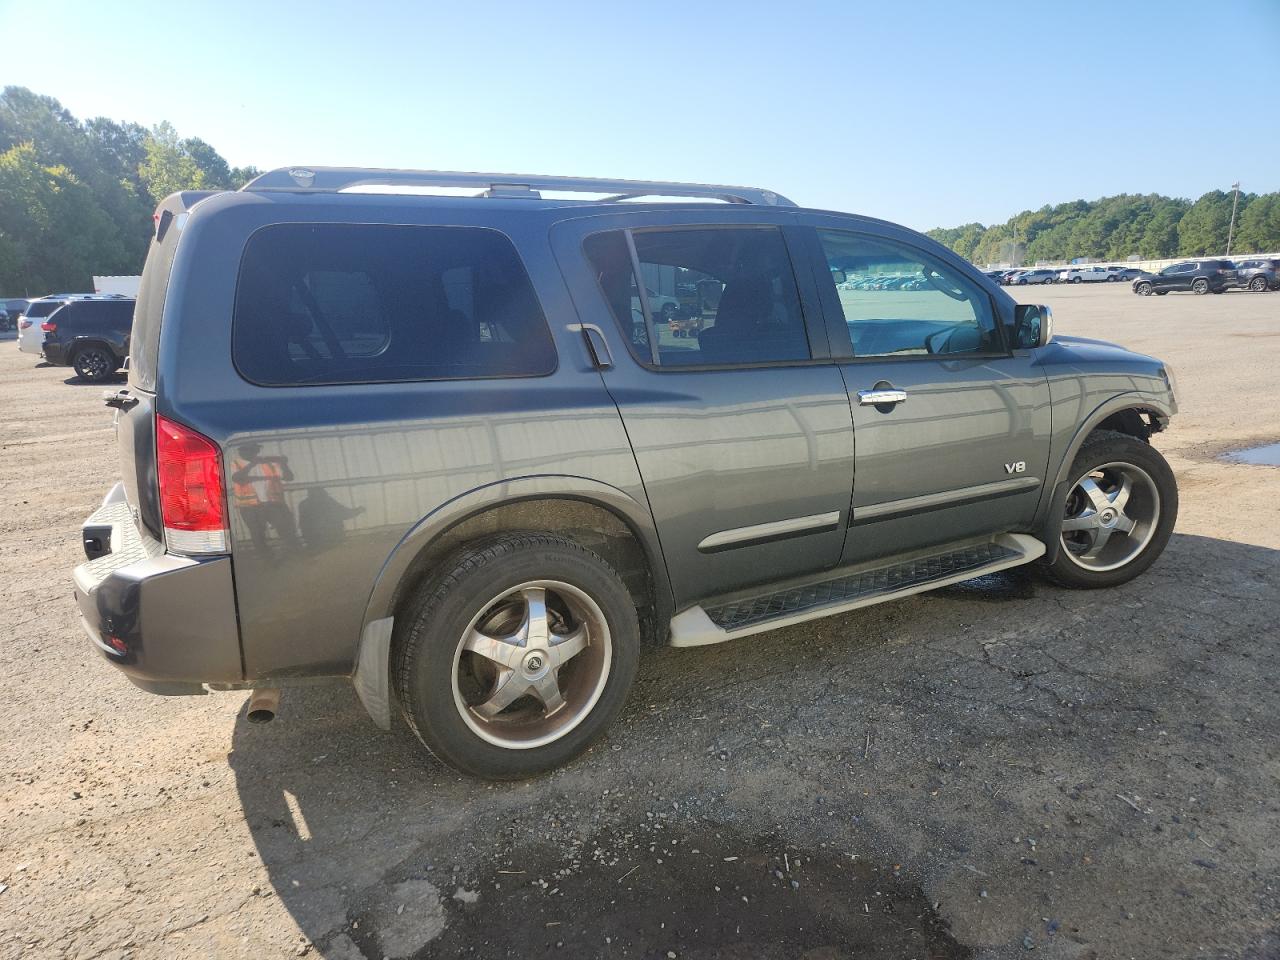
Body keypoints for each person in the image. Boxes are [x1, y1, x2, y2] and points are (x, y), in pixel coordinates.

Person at [231, 443, 299, 554]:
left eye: (250, 450)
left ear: (256, 451)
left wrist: (284, 464)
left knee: (285, 528)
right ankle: (267, 561)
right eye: (243, 450)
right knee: (257, 534)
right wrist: (252, 464)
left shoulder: (269, 463)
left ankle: (296, 555)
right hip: (249, 506)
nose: (244, 453)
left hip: (272, 503)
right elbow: (237, 478)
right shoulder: (236, 464)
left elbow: (289, 477)